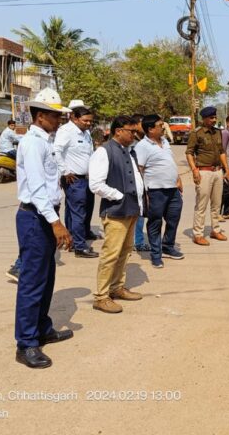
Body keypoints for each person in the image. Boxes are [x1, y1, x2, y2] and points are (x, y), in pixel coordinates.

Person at [14, 88, 74, 369]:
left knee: (46, 278)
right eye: (54, 116)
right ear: (40, 116)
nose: (59, 120)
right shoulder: (32, 143)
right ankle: (26, 344)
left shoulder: (46, 141)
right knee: (32, 283)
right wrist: (56, 222)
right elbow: (37, 189)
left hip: (46, 215)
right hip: (36, 217)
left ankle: (42, 329)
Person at [89, 115, 145, 314]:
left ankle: (117, 287)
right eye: (131, 132)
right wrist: (118, 195)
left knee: (125, 251)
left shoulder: (129, 152)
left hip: (131, 210)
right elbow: (95, 184)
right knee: (111, 254)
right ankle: (101, 296)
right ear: (119, 131)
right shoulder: (104, 152)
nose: (134, 135)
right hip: (115, 211)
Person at [135, 114, 184, 268]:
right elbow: (139, 171)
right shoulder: (142, 146)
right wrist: (144, 195)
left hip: (173, 190)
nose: (163, 127)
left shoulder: (164, 141)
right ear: (150, 129)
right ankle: (156, 254)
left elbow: (169, 162)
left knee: (173, 220)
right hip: (155, 191)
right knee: (155, 222)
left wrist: (178, 179)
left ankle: (168, 247)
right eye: (160, 125)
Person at [54, 106, 98, 258]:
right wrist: (64, 171)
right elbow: (56, 151)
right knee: (78, 212)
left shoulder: (86, 133)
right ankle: (80, 246)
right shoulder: (66, 131)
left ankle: (74, 239)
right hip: (74, 179)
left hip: (87, 178)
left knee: (84, 211)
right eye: (85, 121)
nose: (88, 124)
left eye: (90, 121)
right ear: (74, 118)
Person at [185, 106, 229, 246]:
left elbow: (222, 151)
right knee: (201, 204)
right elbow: (189, 153)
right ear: (204, 119)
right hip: (203, 172)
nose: (214, 120)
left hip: (218, 172)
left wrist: (227, 169)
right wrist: (194, 170)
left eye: (215, 117)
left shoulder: (218, 132)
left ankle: (215, 230)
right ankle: (198, 234)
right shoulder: (196, 133)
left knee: (216, 204)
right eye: (211, 118)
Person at [131, 114, 149, 252]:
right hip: (132, 181)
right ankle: (134, 242)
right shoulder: (132, 142)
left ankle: (138, 241)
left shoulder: (143, 141)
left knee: (141, 212)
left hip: (142, 181)